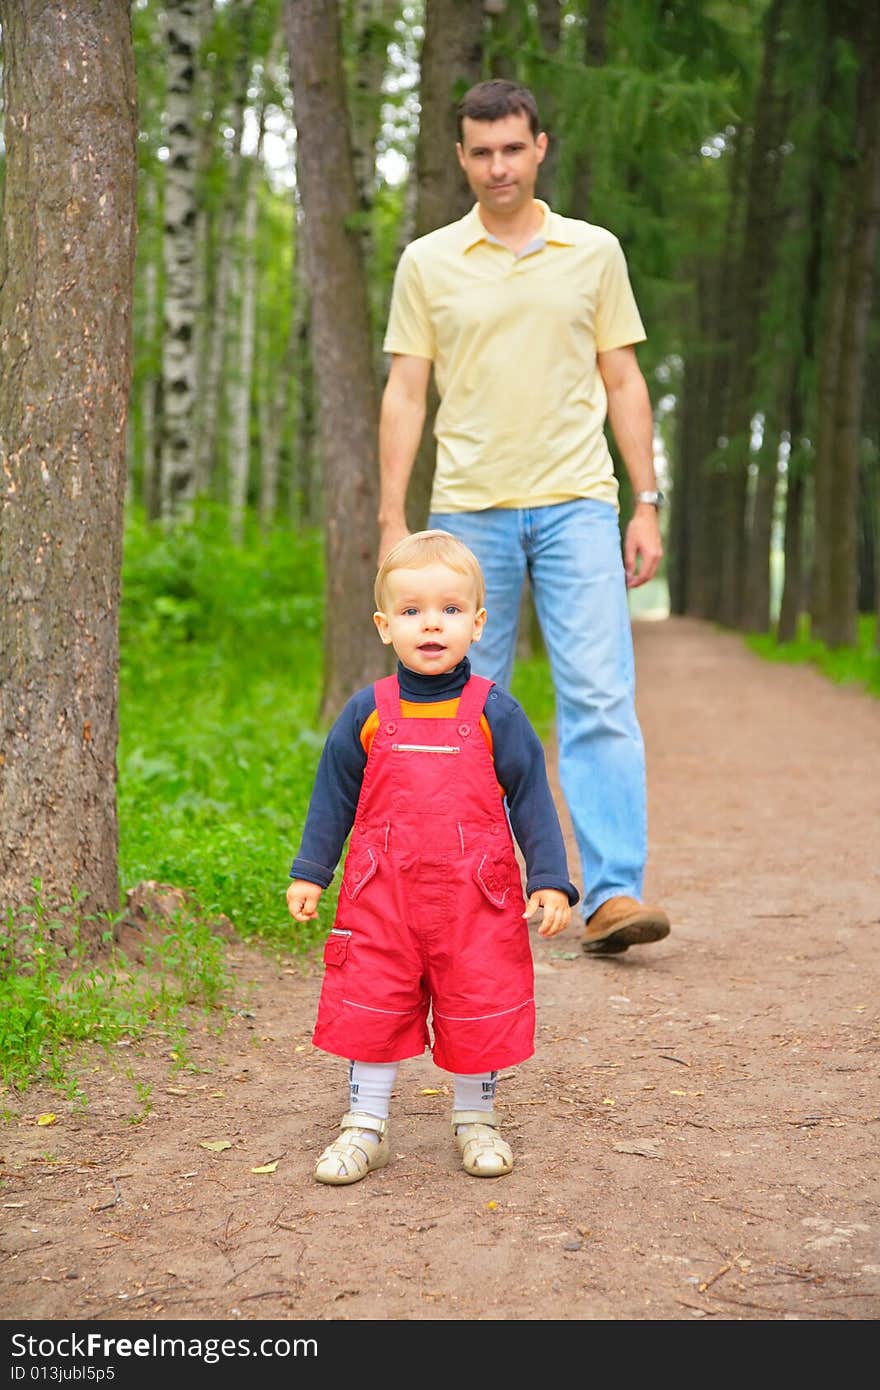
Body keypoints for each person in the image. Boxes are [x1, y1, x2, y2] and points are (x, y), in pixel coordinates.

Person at [377, 78, 670, 958]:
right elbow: (405, 390)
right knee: (460, 704)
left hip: (580, 504)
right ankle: (474, 893)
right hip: (468, 512)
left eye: (513, 147)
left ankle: (614, 894)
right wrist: (394, 520)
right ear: (461, 157)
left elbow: (623, 380)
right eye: (481, 151)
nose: (498, 166)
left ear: (540, 147)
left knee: (600, 699)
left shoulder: (594, 252)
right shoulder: (428, 261)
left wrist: (645, 498)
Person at [287, 530, 578, 1185]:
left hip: (475, 896)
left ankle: (477, 1121)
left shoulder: (493, 712)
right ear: (385, 626)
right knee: (372, 1001)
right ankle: (365, 1126)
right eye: (412, 611)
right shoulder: (367, 711)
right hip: (380, 893)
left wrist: (552, 881)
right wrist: (311, 872)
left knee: (477, 1000)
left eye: (449, 609)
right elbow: (331, 795)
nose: (431, 624)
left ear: (477, 624)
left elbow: (530, 794)